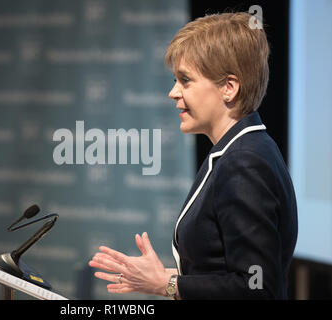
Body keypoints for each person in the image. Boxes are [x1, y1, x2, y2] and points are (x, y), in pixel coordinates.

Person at [89, 12, 298, 299]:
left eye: (185, 80)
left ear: (229, 87)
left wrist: (166, 285)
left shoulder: (244, 162)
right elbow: (222, 271)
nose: (173, 92)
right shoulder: (239, 150)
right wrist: (165, 276)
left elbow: (256, 287)